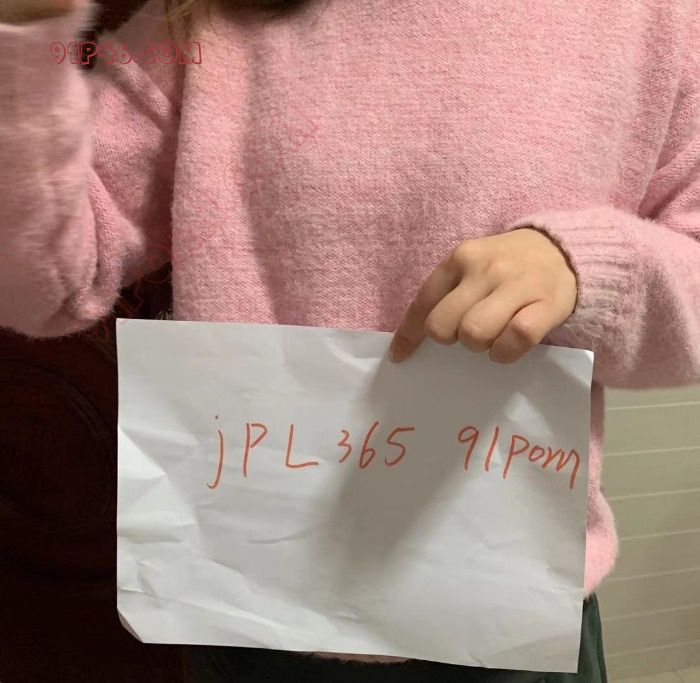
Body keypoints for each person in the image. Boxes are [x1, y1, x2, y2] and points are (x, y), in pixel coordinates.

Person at [1, 0, 698, 679]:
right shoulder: (205, 24)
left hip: (507, 622)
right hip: (253, 621)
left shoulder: (656, 19)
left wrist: (584, 270)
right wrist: (22, 42)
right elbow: (46, 285)